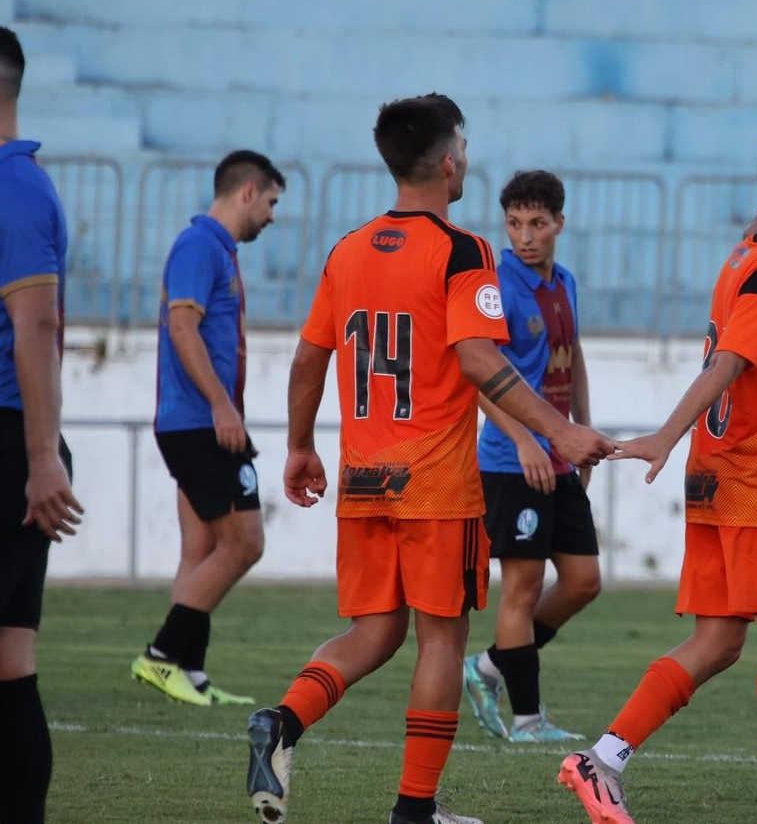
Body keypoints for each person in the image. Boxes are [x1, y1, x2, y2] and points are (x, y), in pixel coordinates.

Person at [243, 93, 613, 824]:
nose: (467, 160)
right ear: (449, 162)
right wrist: (558, 431)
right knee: (442, 638)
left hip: (364, 476)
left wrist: (298, 444)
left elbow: (309, 357)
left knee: (375, 630)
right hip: (437, 485)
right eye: (465, 150)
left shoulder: (347, 249)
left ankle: (283, 719)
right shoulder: (464, 251)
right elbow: (479, 358)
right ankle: (416, 809)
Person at [559, 137, 757, 824]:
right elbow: (729, 361)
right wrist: (664, 435)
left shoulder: (743, 253)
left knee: (719, 640)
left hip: (719, 474)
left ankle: (601, 758)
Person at [132, 150, 283, 707]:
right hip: (199, 422)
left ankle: (187, 672)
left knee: (200, 548)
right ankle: (161, 655)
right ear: (246, 191)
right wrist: (223, 409)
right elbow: (182, 327)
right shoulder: (199, 245)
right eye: (270, 202)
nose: (271, 216)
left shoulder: (216, 249)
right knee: (245, 543)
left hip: (194, 420)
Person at [463, 170, 600, 743]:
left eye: (537, 223)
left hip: (560, 454)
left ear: (559, 224)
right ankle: (527, 721)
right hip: (510, 460)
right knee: (520, 588)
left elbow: (574, 356)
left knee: (583, 581)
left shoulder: (563, 280)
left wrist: (583, 431)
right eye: (514, 223)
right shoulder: (495, 285)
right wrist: (523, 439)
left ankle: (489, 666)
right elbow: (478, 376)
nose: (524, 235)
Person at [0, 24, 82, 824]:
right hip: (16, 444)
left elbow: (38, 326)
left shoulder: (16, 190)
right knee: (9, 663)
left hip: (7, 445)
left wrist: (39, 458)